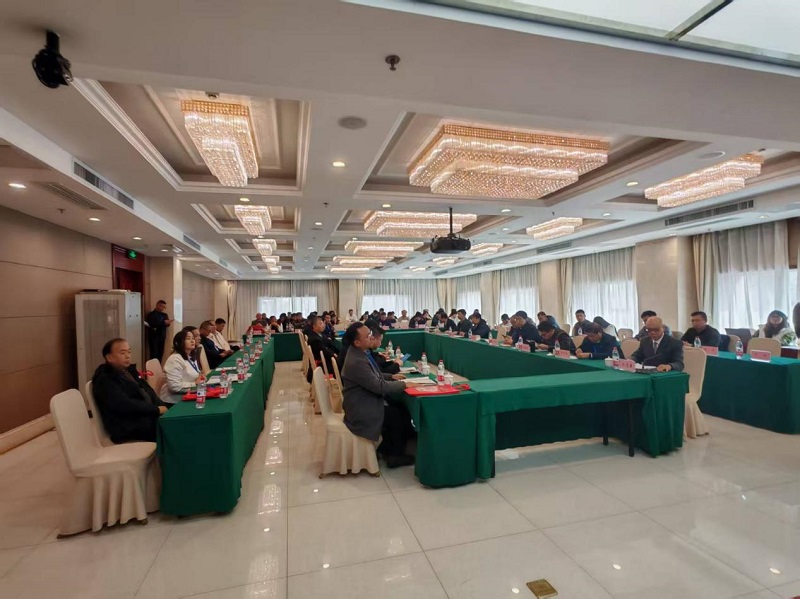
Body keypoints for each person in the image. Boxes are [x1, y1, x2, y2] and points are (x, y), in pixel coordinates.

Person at [340, 322, 415, 468]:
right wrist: (404, 385)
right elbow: (379, 386)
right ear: (357, 342)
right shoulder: (356, 360)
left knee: (399, 407)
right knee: (397, 416)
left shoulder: (359, 353)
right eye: (367, 336)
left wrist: (391, 376)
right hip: (361, 409)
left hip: (364, 400)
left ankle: (389, 447)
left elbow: (373, 375)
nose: (371, 337)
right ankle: (394, 456)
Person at [92, 338, 169, 444]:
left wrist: (161, 406)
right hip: (128, 426)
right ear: (109, 357)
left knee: (175, 418)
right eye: (122, 353)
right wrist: (156, 410)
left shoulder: (129, 371)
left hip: (145, 415)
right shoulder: (105, 378)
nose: (127, 356)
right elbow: (124, 404)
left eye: (129, 352)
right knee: (171, 429)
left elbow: (149, 391)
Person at [161, 330, 205, 404]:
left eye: (193, 338)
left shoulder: (190, 356)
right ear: (179, 342)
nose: (192, 341)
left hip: (191, 395)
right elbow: (175, 387)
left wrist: (201, 377)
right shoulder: (175, 359)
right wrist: (195, 383)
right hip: (175, 401)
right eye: (188, 338)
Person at [306, 315, 340, 382]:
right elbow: (325, 352)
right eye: (320, 324)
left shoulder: (320, 334)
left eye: (323, 323)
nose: (323, 325)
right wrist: (334, 354)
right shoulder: (314, 339)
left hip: (325, 359)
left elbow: (329, 344)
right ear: (314, 326)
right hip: (323, 363)